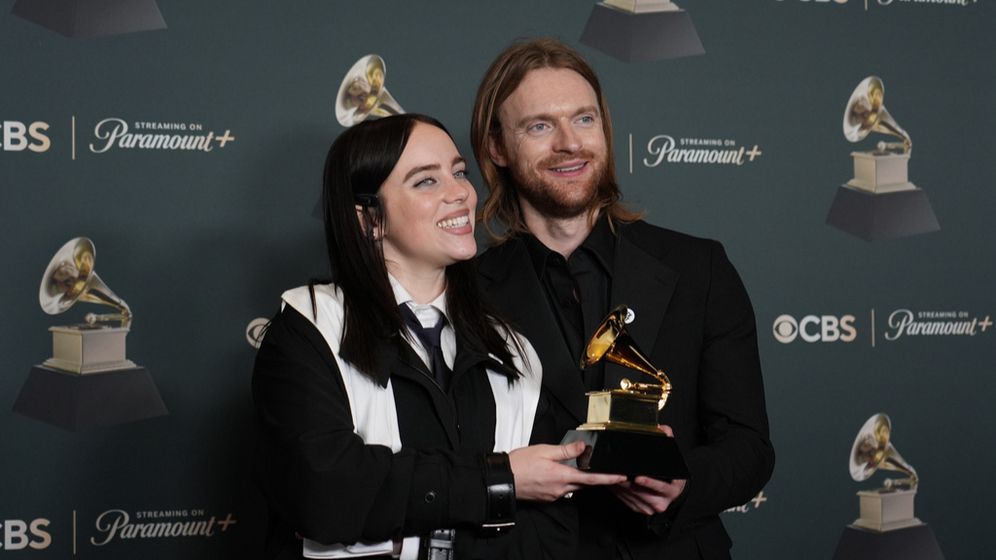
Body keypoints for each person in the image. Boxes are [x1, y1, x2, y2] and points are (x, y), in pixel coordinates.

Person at [252, 114, 624, 560]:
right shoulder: (310, 326)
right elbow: (328, 492)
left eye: (459, 172)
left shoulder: (512, 345)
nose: (461, 193)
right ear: (369, 219)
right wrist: (500, 481)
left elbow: (549, 527)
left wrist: (410, 533)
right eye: (426, 181)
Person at [470, 39, 775, 560]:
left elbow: (749, 449)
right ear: (497, 147)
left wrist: (682, 483)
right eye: (540, 126)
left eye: (584, 120)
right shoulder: (464, 292)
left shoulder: (698, 268)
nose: (570, 143)